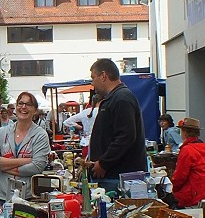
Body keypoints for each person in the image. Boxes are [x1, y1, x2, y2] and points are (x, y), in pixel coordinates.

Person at [88, 59, 147, 193]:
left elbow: (125, 136)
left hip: (117, 178)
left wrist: (103, 163)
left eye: (93, 78)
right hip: (113, 176)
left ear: (103, 76)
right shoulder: (116, 98)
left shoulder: (121, 99)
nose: (92, 84)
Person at [0, 91, 51, 202]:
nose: (23, 107)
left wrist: (4, 166)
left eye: (28, 104)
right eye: (20, 103)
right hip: (2, 196)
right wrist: (26, 161)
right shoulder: (2, 132)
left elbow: (37, 166)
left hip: (28, 197)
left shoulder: (40, 135)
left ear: (35, 110)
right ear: (16, 107)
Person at [170, 117, 205, 208]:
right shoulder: (203, 147)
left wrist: (171, 188)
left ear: (185, 133)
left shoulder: (187, 150)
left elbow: (180, 177)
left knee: (167, 199)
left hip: (194, 194)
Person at [63, 94, 99, 158]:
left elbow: (67, 122)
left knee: (85, 164)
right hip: (99, 143)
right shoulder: (102, 111)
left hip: (86, 142)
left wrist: (80, 127)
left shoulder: (85, 112)